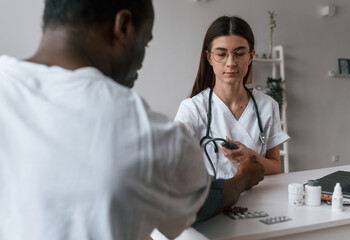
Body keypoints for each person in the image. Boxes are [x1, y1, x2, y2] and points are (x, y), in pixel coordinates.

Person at [0, 2, 264, 240]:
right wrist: (242, 179)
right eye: (145, 42)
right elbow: (202, 202)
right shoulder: (149, 133)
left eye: (239, 53)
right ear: (123, 26)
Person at [175, 16, 289, 179]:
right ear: (209, 58)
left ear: (250, 57)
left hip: (262, 199)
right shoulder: (193, 108)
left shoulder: (267, 105)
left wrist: (249, 156)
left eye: (239, 53)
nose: (231, 62)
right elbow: (172, 159)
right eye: (221, 54)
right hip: (216, 201)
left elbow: (276, 167)